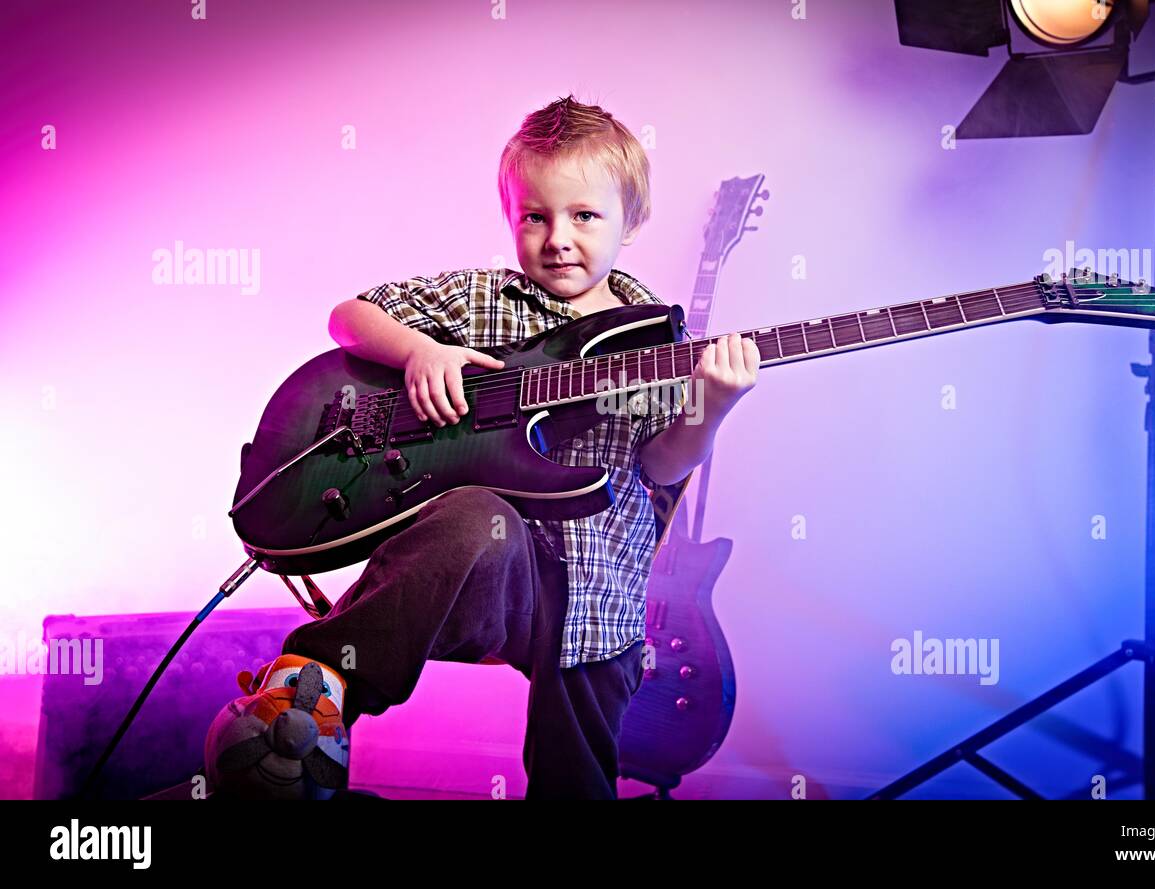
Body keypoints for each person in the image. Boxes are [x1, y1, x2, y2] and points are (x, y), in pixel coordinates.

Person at [207, 95, 759, 799]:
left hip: (601, 601)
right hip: (496, 573)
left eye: (586, 215)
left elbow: (660, 465)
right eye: (536, 216)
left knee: (579, 782)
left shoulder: (657, 338)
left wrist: (713, 407)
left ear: (633, 219)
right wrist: (420, 352)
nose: (558, 238)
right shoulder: (482, 299)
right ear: (512, 218)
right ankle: (313, 689)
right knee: (477, 514)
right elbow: (348, 316)